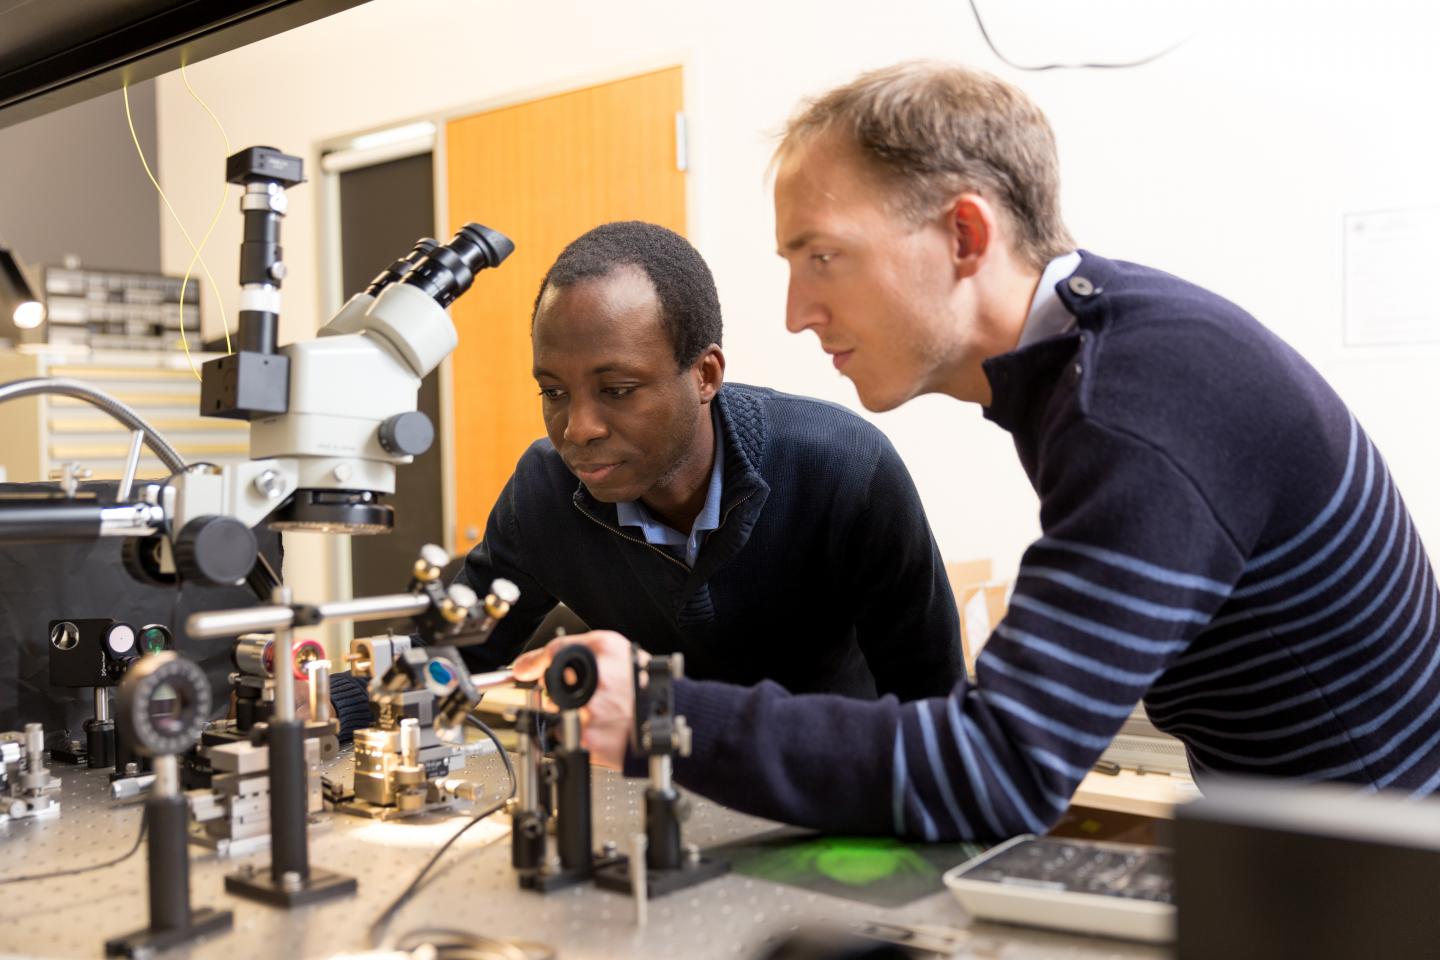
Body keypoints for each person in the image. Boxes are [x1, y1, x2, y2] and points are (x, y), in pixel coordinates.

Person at [516, 62, 1440, 841]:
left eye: (823, 258)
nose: (797, 312)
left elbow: (999, 769)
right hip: (1304, 837)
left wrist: (658, 714)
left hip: (1384, 869)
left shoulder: (1139, 402)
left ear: (964, 236)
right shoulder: (1101, 359)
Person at [329, 220, 964, 734]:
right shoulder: (545, 491)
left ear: (706, 375)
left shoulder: (844, 469)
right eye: (553, 391)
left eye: (617, 389)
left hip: (832, 799)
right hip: (656, 789)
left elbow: (935, 706)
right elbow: (459, 649)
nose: (578, 428)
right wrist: (317, 706)